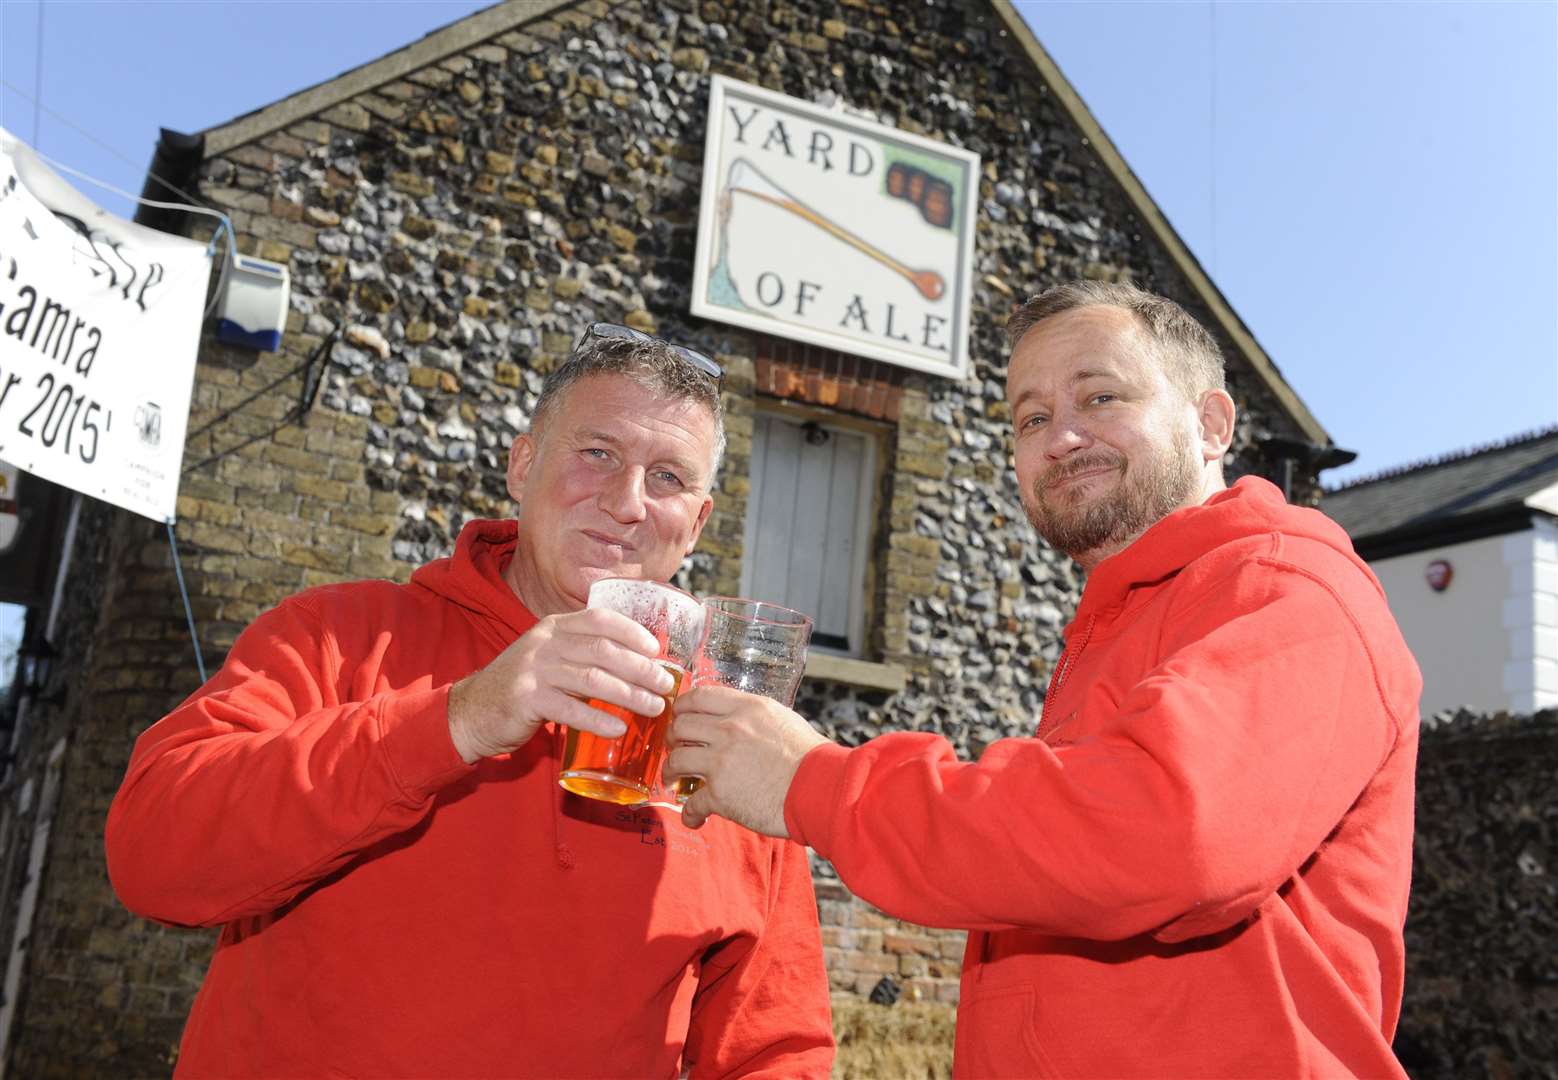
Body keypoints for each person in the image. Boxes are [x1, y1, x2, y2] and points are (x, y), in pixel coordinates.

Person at [667, 282, 1422, 1078]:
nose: (1060, 437)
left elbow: (1161, 837)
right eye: (1031, 419)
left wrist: (811, 780)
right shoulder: (1127, 619)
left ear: (1211, 425)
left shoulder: (1289, 592)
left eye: (1100, 396)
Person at [106, 324, 835, 1078]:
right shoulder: (341, 636)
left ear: (698, 525)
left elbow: (775, 1047)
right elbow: (151, 856)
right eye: (598, 454)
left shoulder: (727, 736)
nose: (626, 503)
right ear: (523, 465)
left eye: (668, 479)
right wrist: (458, 718)